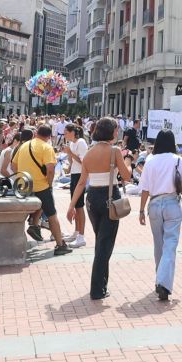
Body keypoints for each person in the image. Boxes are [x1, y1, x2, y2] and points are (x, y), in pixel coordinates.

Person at [67, 118, 133, 301]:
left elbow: (81, 183)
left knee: (101, 241)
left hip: (92, 198)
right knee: (104, 245)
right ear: (111, 132)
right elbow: (126, 176)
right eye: (116, 130)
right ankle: (97, 288)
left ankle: (102, 284)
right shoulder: (114, 151)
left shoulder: (89, 152)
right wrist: (127, 162)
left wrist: (71, 206)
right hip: (110, 197)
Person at [137, 130, 182, 303]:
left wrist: (140, 210)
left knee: (158, 245)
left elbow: (144, 188)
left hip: (153, 204)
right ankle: (163, 283)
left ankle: (159, 279)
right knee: (170, 245)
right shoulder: (178, 160)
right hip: (171, 204)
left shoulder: (150, 161)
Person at [13, 124, 70, 255]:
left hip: (24, 185)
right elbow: (50, 169)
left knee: (25, 213)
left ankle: (33, 225)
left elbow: (14, 164)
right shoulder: (47, 147)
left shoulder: (24, 146)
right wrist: (49, 184)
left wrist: (21, 177)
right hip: (40, 185)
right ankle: (60, 245)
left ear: (36, 133)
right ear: (49, 137)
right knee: (52, 214)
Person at [61, 127, 90, 248]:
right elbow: (73, 161)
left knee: (79, 206)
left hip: (80, 175)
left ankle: (81, 236)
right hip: (74, 174)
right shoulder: (72, 143)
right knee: (76, 205)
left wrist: (70, 153)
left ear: (73, 132)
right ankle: (77, 232)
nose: (64, 135)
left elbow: (84, 162)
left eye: (66, 133)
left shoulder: (81, 142)